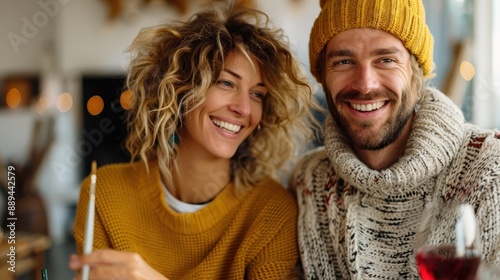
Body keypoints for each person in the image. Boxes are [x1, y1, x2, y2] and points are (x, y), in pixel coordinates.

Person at [69, 4, 320, 279]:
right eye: (226, 83)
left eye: (257, 94)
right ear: (179, 89)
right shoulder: (104, 193)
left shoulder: (271, 212)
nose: (244, 109)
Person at [290, 0, 500, 278]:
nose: (365, 84)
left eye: (386, 60)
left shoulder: (490, 171)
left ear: (416, 71)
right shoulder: (309, 183)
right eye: (343, 61)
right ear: (323, 77)